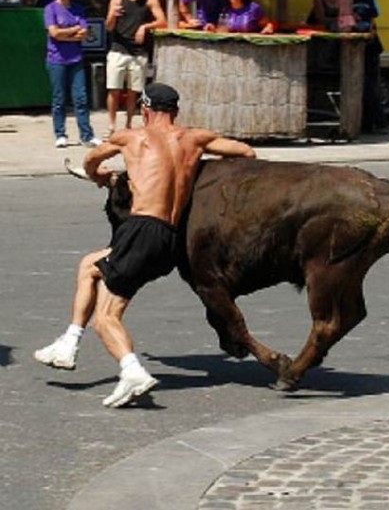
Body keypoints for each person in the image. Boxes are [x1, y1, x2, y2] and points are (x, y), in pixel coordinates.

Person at [33, 82, 257, 408]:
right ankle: (68, 343)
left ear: (145, 110)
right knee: (89, 267)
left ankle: (132, 371)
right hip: (171, 239)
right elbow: (246, 152)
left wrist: (100, 175)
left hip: (141, 229)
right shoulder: (196, 138)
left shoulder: (132, 137)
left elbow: (91, 159)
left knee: (106, 318)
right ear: (176, 112)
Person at [105, 0, 167, 135]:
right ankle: (112, 126)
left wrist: (145, 27)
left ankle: (128, 125)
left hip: (139, 52)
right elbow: (108, 27)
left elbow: (162, 21)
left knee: (134, 92)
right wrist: (112, 14)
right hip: (118, 49)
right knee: (114, 89)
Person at [43, 0, 100, 148]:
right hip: (56, 59)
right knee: (59, 99)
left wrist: (64, 34)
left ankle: (87, 135)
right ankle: (60, 134)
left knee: (81, 98)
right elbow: (54, 33)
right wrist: (72, 31)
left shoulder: (78, 9)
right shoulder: (50, 9)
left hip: (76, 59)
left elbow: (83, 33)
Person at [353, 0, 388, 134]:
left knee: (370, 85)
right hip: (355, 44)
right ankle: (365, 122)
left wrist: (363, 21)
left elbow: (374, 16)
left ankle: (379, 122)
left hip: (369, 45)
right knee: (358, 85)